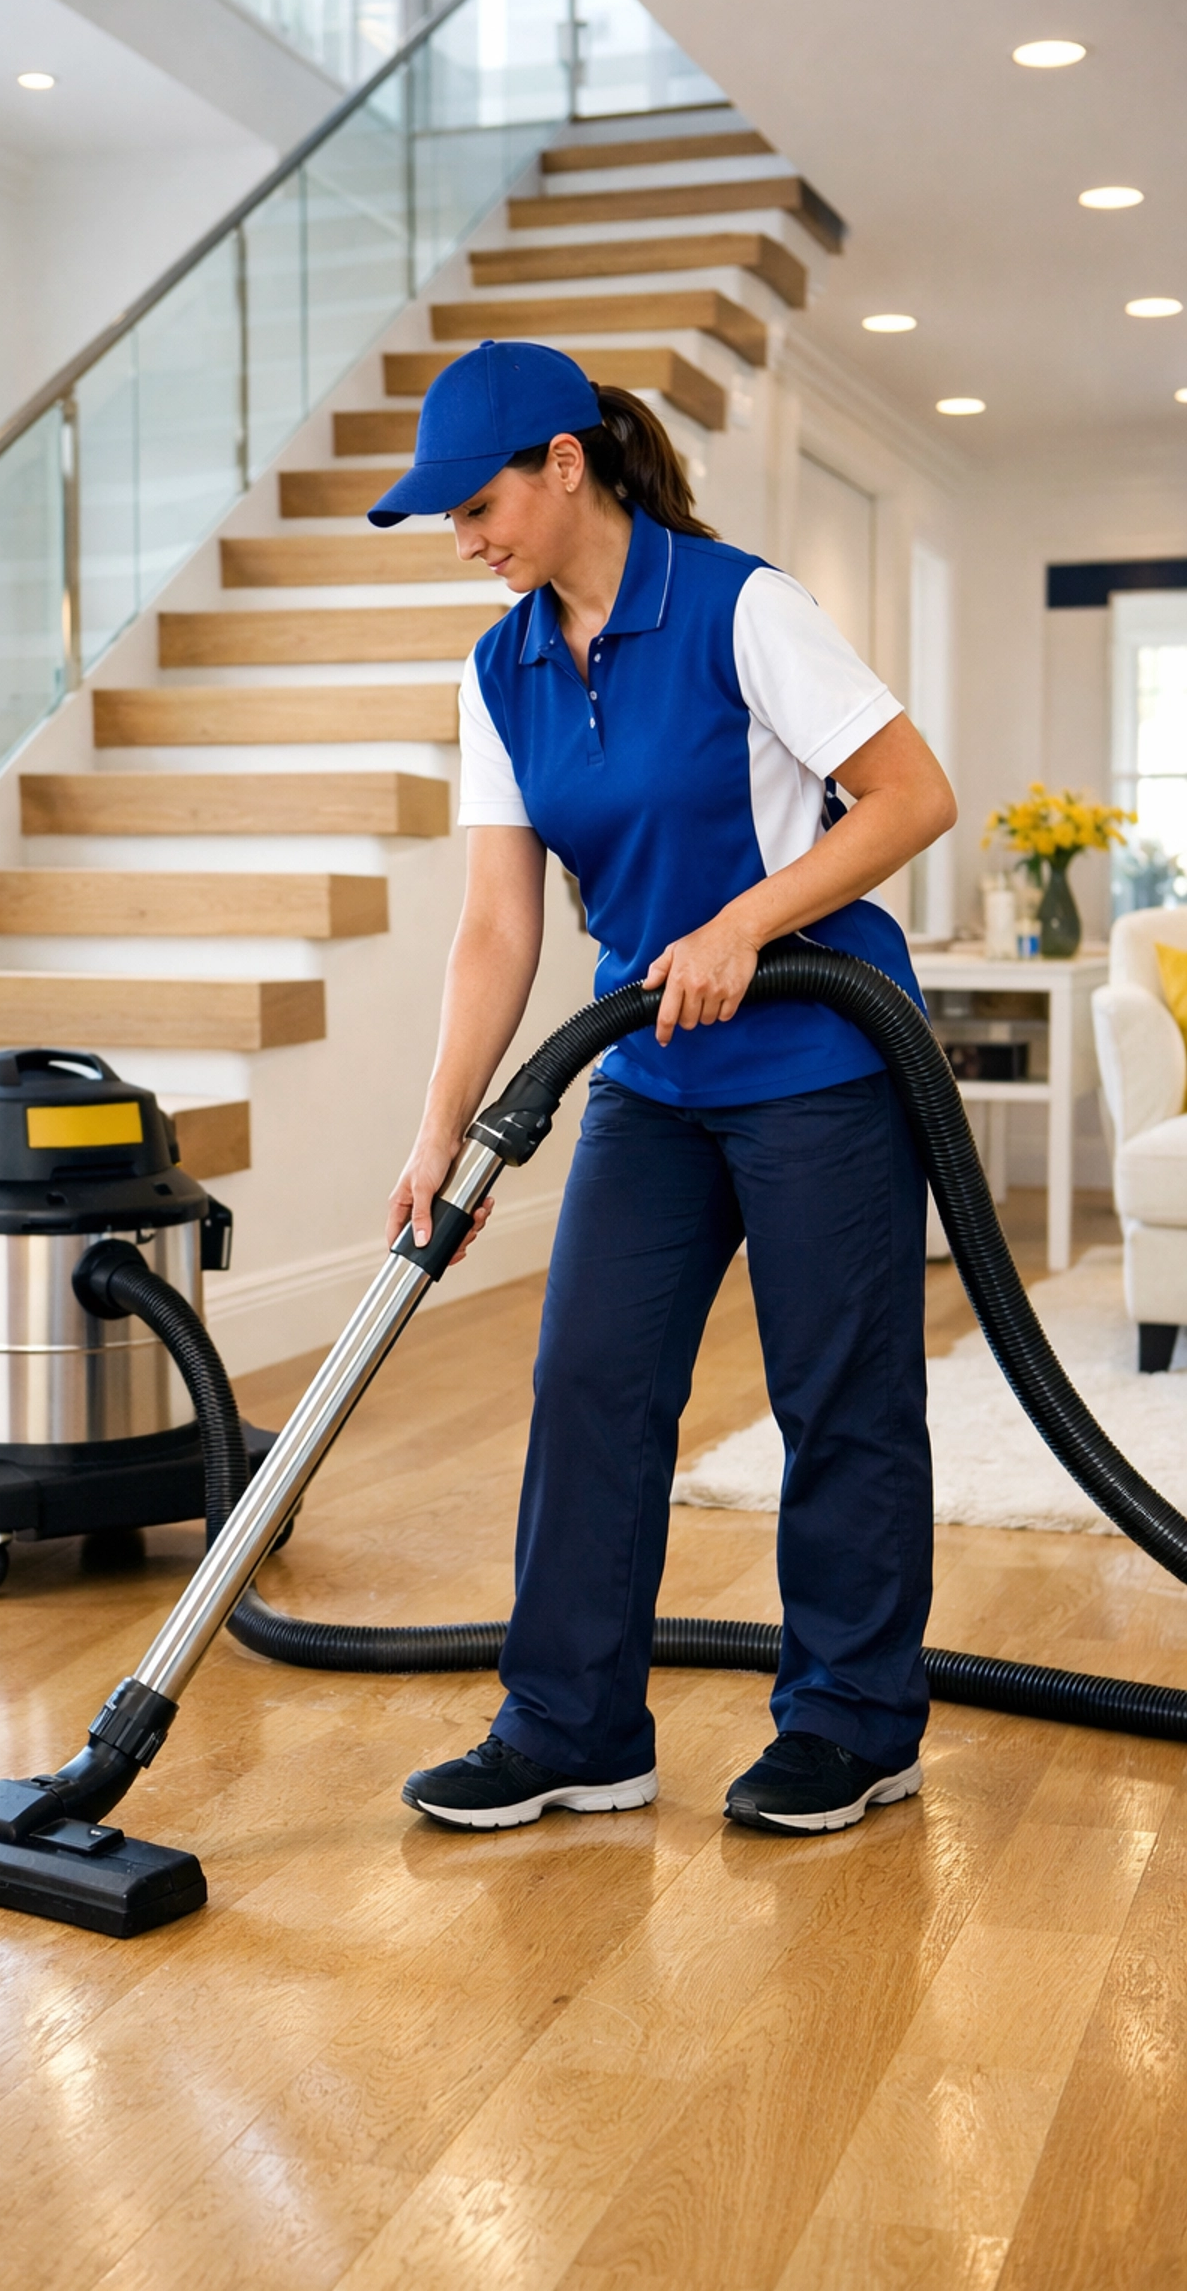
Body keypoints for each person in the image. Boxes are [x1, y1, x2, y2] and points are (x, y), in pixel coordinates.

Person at [367, 340, 957, 1836]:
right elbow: (500, 923)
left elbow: (913, 796)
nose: (468, 538)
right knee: (591, 1384)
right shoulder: (498, 667)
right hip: (648, 1060)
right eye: (449, 518)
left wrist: (750, 923)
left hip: (826, 1051)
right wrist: (442, 1130)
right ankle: (570, 1727)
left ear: (569, 463)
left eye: (481, 502)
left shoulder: (740, 604)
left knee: (841, 1396)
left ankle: (853, 1721)